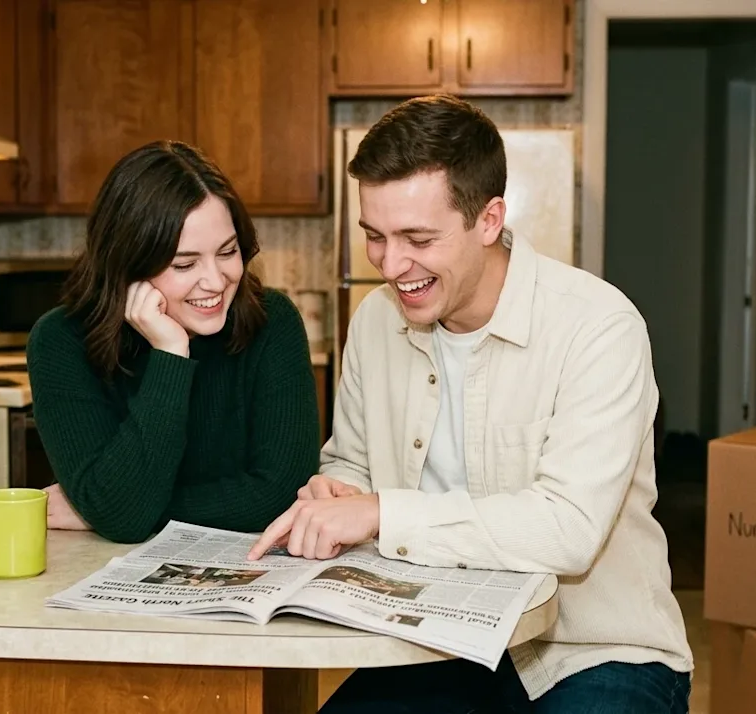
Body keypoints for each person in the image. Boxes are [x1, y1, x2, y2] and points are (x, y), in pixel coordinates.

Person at [247, 95, 694, 712]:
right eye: (374, 236)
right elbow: (349, 463)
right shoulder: (376, 322)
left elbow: (568, 530)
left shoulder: (599, 326)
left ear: (488, 220)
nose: (391, 264)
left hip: (592, 650)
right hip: (438, 641)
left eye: (418, 238)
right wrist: (338, 492)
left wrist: (381, 513)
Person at [26, 140, 321, 543]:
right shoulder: (60, 342)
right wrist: (170, 355)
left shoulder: (273, 322)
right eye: (185, 264)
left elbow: (281, 495)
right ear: (128, 263)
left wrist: (105, 510)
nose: (216, 282)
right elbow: (121, 518)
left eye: (228, 252)